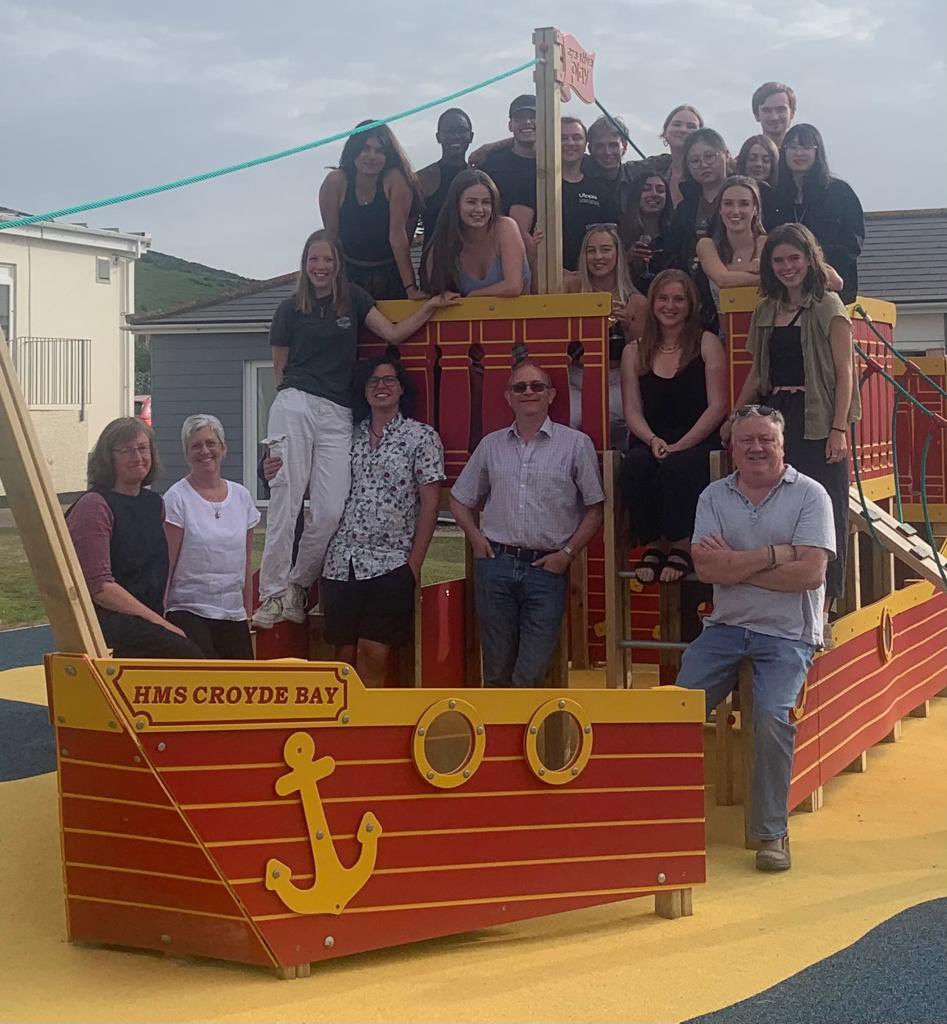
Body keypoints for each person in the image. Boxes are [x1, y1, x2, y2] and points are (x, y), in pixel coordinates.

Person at [253, 229, 459, 629]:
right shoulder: (289, 308)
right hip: (296, 400)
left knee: (330, 510)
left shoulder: (355, 297)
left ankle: (297, 586)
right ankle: (272, 595)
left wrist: (432, 303)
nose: (321, 267)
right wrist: (277, 436)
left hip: (337, 413)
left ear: (338, 263)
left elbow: (395, 333)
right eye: (314, 259)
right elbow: (280, 369)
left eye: (327, 259)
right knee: (287, 499)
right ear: (304, 263)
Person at [677, 404, 835, 871]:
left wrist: (737, 567)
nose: (756, 448)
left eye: (766, 439)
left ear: (782, 445)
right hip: (725, 628)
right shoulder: (713, 497)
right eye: (746, 440)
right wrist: (774, 553)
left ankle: (771, 833)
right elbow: (706, 568)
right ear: (732, 448)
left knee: (770, 717)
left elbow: (809, 573)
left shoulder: (811, 495)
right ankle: (665, 820)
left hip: (788, 635)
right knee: (675, 708)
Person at [726, 223, 859, 616]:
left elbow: (844, 371)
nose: (787, 267)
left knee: (825, 504)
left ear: (809, 259)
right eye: (779, 260)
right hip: (774, 417)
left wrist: (839, 428)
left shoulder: (827, 305)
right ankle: (779, 589)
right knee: (774, 501)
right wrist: (736, 415)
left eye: (794, 258)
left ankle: (827, 601)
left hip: (815, 415)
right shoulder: (767, 307)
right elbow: (757, 371)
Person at [449, 360, 605, 687]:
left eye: (536, 386)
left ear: (551, 394)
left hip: (546, 568)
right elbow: (459, 499)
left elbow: (595, 508)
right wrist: (477, 539)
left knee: (529, 675)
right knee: (495, 672)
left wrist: (568, 553)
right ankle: (497, 738)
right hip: (496, 564)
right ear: (508, 397)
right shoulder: (491, 445)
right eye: (520, 387)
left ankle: (522, 738)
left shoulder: (576, 444)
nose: (528, 392)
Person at [320, 357, 444, 687]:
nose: (381, 387)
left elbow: (430, 505)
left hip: (391, 565)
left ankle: (368, 730)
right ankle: (341, 734)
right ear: (364, 390)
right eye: (373, 381)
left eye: (389, 380)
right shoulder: (346, 436)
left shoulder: (422, 437)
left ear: (402, 388)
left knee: (374, 654)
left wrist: (413, 566)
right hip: (341, 563)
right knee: (342, 657)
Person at [619, 270, 727, 583]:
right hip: (652, 437)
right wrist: (652, 439)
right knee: (635, 466)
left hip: (697, 439)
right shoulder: (634, 351)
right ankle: (654, 543)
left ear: (690, 304)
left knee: (678, 468)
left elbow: (717, 405)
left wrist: (682, 444)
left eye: (678, 299)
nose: (670, 305)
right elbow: (632, 409)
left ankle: (682, 545)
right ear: (652, 303)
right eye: (663, 298)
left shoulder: (706, 343)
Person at [66, 418, 205, 659]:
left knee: (213, 650)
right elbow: (99, 587)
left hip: (148, 618)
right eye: (127, 450)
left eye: (143, 448)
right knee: (190, 658)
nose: (138, 456)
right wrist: (161, 624)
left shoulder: (155, 504)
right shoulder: (95, 506)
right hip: (109, 622)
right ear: (109, 458)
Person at [163, 415, 259, 659]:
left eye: (210, 443)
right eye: (196, 446)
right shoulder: (177, 498)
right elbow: (166, 566)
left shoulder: (242, 497)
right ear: (187, 454)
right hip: (188, 611)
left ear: (223, 448)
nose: (204, 451)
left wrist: (247, 614)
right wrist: (161, 618)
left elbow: (245, 565)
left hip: (232, 614)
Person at [319, 120, 424, 300]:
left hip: (389, 273)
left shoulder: (396, 181)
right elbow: (331, 239)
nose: (371, 156)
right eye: (365, 149)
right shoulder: (335, 182)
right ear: (354, 150)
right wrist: (329, 285)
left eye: (379, 150)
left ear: (388, 155)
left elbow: (398, 238)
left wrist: (410, 287)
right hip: (348, 275)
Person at [564, 225, 646, 447]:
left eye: (606, 249)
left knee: (611, 419)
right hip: (574, 377)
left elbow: (644, 361)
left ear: (618, 255)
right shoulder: (570, 288)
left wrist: (628, 325)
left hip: (615, 379)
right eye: (591, 250)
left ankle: (612, 473)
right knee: (569, 418)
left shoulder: (635, 301)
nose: (598, 257)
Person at [770, 123, 865, 303]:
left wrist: (811, 261)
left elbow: (853, 243)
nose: (799, 153)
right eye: (793, 147)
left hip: (832, 289)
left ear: (817, 152)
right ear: (784, 151)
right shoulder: (774, 196)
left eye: (805, 147)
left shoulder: (840, 192)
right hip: (785, 292)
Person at [424, 169, 529, 297]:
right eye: (471, 202)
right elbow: (436, 295)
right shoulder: (441, 245)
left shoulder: (505, 227)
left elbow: (513, 287)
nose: (479, 209)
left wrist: (471, 296)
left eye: (486, 202)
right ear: (456, 204)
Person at [696, 175, 767, 338]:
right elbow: (723, 280)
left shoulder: (766, 242)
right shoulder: (707, 245)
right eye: (728, 204)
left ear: (755, 209)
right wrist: (768, 277)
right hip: (725, 337)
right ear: (720, 209)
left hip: (766, 338)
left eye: (744, 204)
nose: (735, 211)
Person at [661, 128, 732, 278]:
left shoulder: (745, 195)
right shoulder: (685, 207)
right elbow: (673, 253)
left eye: (710, 156)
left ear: (726, 154)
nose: (703, 165)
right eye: (695, 161)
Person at [559, 117, 617, 272]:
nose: (570, 143)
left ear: (586, 145)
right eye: (563, 138)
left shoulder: (600, 190)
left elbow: (611, 241)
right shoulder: (537, 183)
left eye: (576, 138)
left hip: (590, 277)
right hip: (548, 278)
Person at [478, 95, 537, 242]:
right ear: (510, 125)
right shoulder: (491, 163)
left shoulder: (558, 161)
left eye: (533, 116)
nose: (527, 122)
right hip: (498, 250)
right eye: (520, 118)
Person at [417, 108, 474, 246]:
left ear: (471, 136)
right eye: (449, 131)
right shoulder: (423, 178)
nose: (455, 136)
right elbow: (406, 229)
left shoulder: (479, 177)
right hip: (434, 263)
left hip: (473, 263)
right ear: (438, 137)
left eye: (461, 131)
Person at [622, 173, 671, 293]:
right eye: (646, 189)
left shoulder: (674, 233)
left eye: (660, 190)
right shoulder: (620, 232)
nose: (654, 194)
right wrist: (627, 258)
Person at [751, 82, 797, 149]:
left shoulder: (803, 157)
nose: (774, 117)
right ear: (756, 115)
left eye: (780, 110)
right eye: (767, 110)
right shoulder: (744, 158)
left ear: (792, 113)